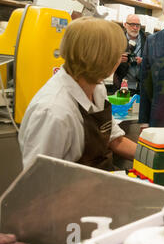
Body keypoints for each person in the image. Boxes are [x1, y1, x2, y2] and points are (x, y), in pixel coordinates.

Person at [18, 17, 137, 171]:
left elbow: (115, 140)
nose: (120, 60)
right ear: (101, 59)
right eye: (117, 55)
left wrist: (158, 158)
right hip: (70, 192)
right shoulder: (54, 112)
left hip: (100, 184)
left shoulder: (97, 87)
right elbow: (40, 182)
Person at [113, 14, 146, 95]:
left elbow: (156, 59)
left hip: (142, 86)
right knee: (124, 106)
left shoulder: (147, 39)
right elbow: (108, 60)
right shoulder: (117, 39)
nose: (135, 28)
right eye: (132, 25)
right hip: (122, 85)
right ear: (125, 24)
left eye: (137, 25)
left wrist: (143, 61)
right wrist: (117, 60)